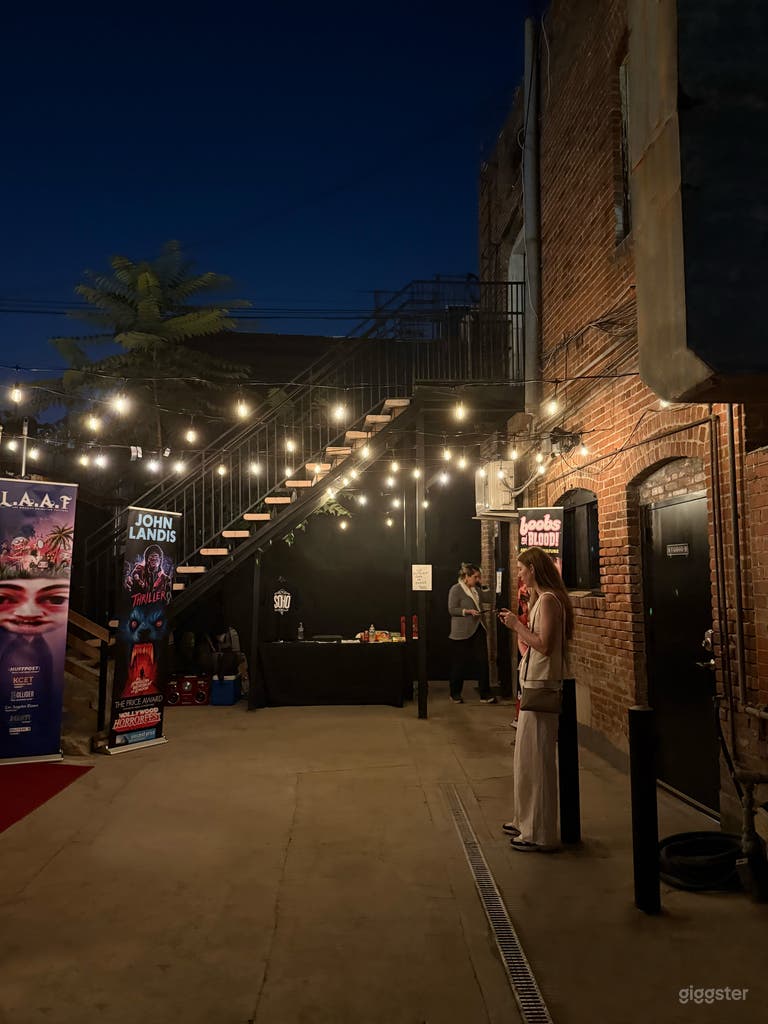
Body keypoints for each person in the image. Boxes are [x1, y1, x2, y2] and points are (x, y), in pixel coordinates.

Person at [498, 546, 574, 852]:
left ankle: (539, 832)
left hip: (542, 687)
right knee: (526, 757)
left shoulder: (550, 601)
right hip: (532, 683)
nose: (518, 574)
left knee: (539, 760)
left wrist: (518, 626)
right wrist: (520, 630)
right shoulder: (540, 601)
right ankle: (524, 819)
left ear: (534, 569)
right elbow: (531, 647)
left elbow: (544, 645)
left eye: (521, 568)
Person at [447, 562, 497, 704]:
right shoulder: (456, 590)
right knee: (459, 663)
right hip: (461, 631)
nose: (477, 579)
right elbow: (452, 609)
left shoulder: (476, 589)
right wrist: (467, 612)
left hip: (478, 628)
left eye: (478, 577)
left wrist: (483, 585)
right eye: (475, 577)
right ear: (466, 577)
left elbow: (489, 599)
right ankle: (455, 693)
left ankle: (485, 694)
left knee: (483, 661)